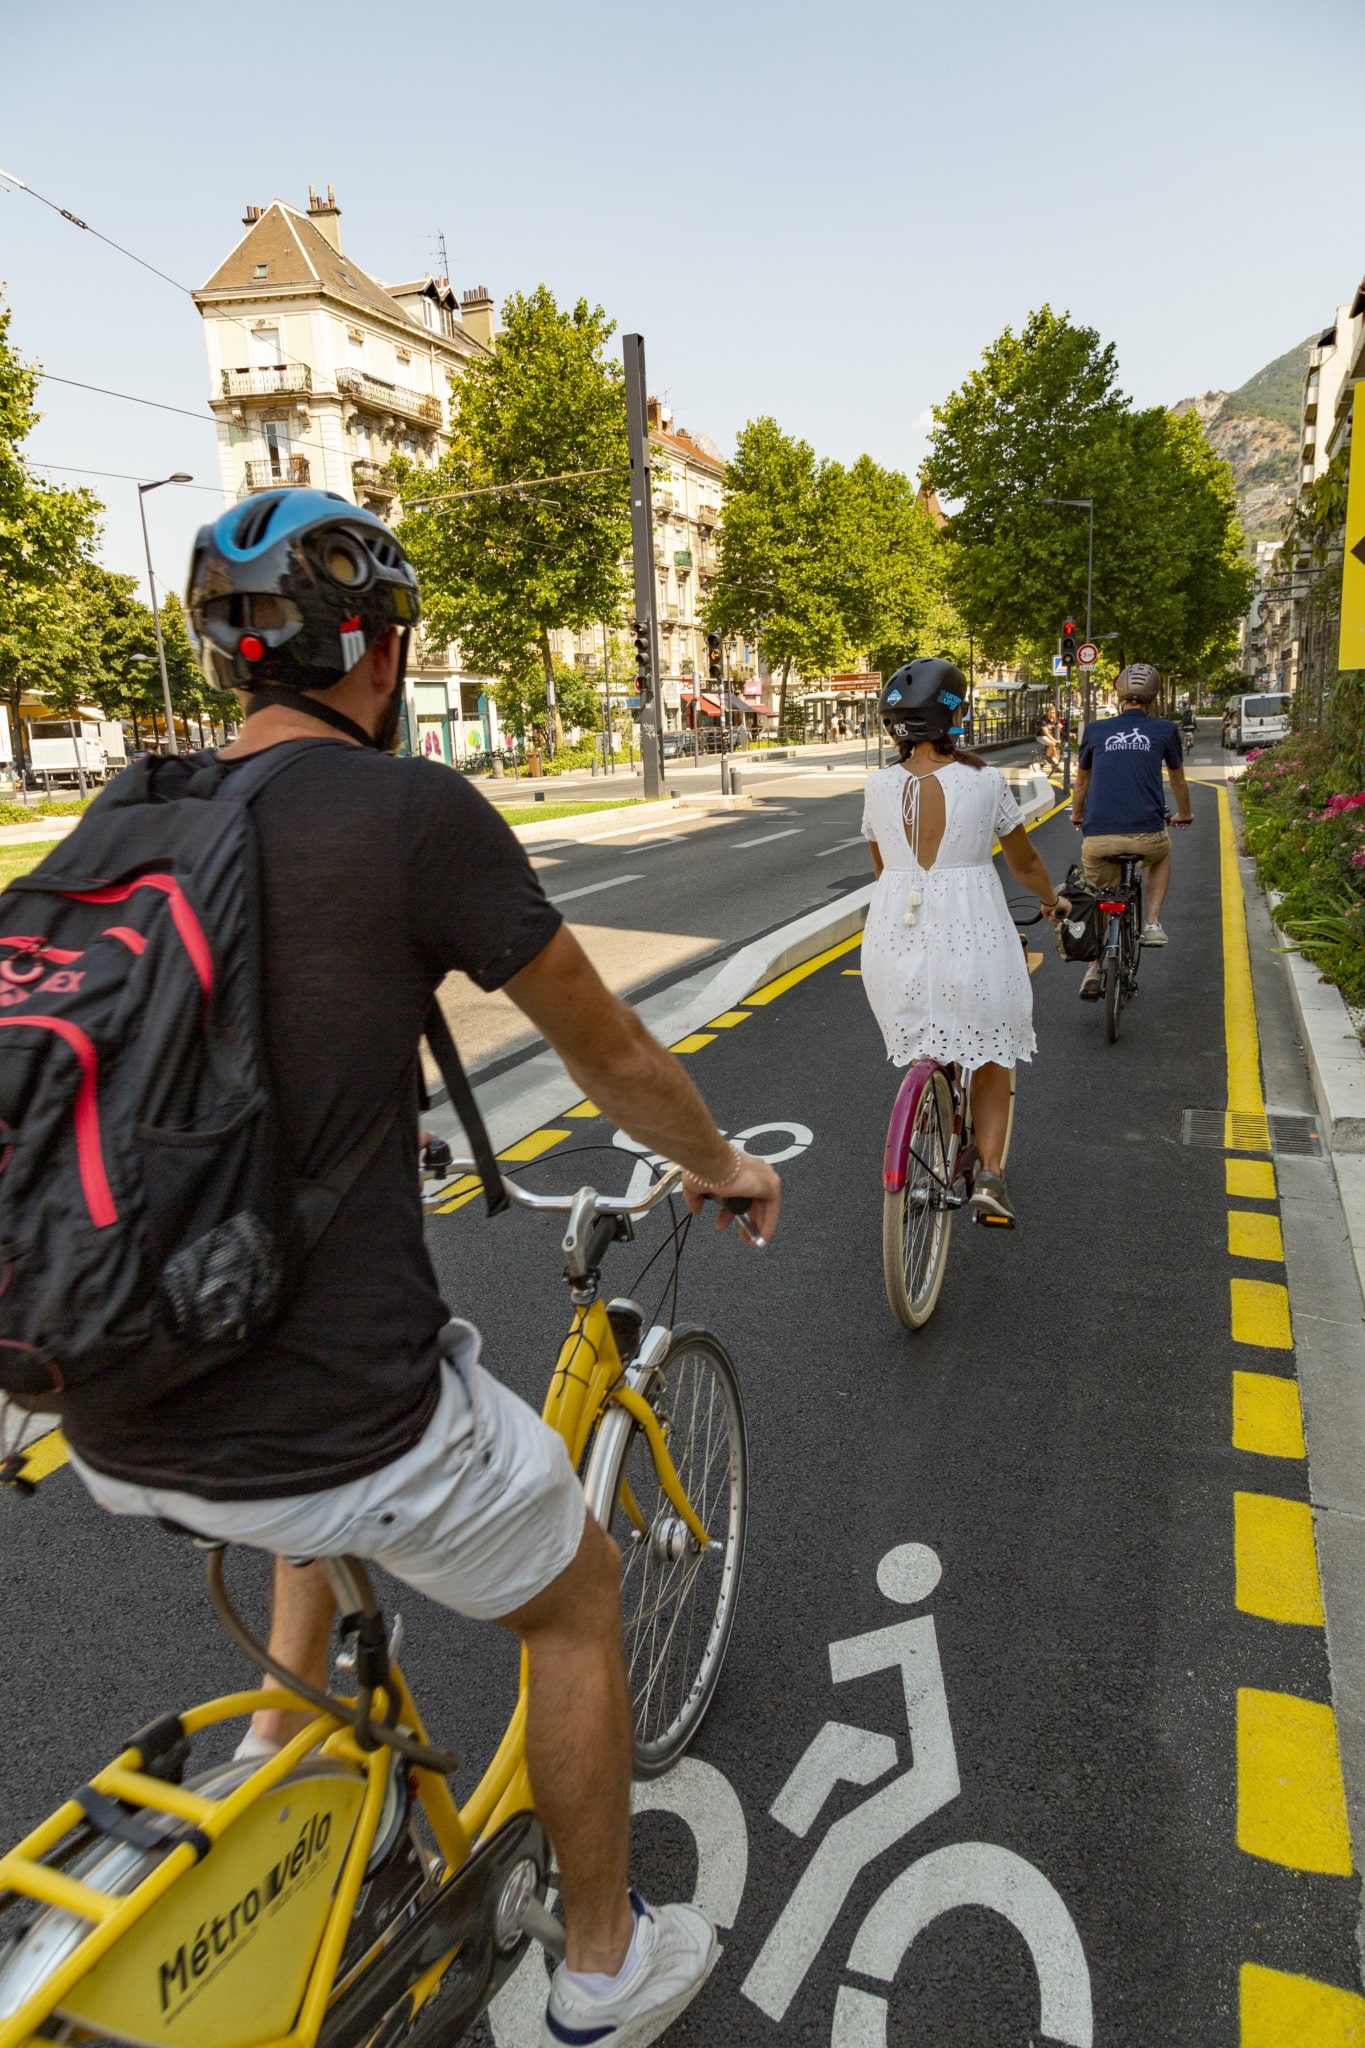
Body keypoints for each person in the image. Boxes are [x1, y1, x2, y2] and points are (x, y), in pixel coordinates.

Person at [57, 491, 781, 2048]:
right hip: (323, 1420)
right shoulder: (412, 812)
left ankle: (280, 1754)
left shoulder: (133, 807)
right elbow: (618, 1052)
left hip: (114, 1399)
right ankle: (599, 1971)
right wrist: (722, 1161)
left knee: (312, 1461)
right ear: (378, 653)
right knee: (574, 1594)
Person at [860, 659, 1069, 1226]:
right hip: (971, 927)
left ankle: (934, 1106)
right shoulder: (983, 782)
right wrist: (1052, 901)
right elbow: (1023, 862)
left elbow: (883, 868)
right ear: (955, 715)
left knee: (935, 1028)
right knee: (995, 1046)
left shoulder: (878, 786)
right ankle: (992, 1177)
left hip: (892, 936)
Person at [1070, 661, 1194, 994]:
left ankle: (1094, 967)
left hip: (1098, 840)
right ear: (1153, 696)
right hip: (1148, 837)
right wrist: (1184, 813)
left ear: (1119, 692)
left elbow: (1082, 781)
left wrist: (1077, 815)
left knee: (1099, 895)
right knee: (1162, 854)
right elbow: (1178, 779)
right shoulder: (1166, 729)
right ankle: (1152, 923)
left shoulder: (1094, 730)